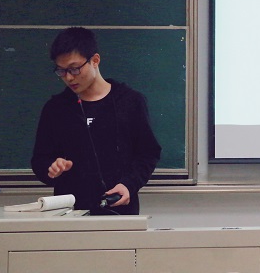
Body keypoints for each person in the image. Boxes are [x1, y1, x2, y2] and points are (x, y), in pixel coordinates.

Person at [31, 27, 162, 215]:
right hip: (68, 214)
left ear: (95, 60)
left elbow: (148, 153)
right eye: (61, 71)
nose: (69, 77)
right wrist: (51, 168)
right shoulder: (55, 108)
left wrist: (129, 185)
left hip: (120, 212)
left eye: (75, 69)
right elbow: (39, 160)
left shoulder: (130, 101)